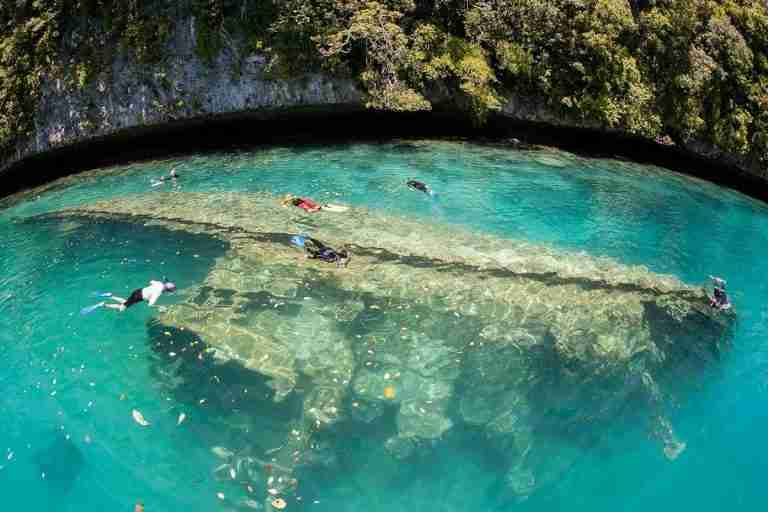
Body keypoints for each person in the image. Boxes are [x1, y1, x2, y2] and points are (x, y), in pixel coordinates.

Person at [81, 279, 177, 315]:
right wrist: (159, 307)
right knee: (120, 309)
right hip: (138, 297)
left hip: (138, 291)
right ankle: (103, 304)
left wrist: (149, 293)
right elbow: (150, 304)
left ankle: (109, 295)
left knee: (127, 301)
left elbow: (151, 281)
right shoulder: (158, 293)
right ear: (167, 290)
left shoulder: (159, 283)